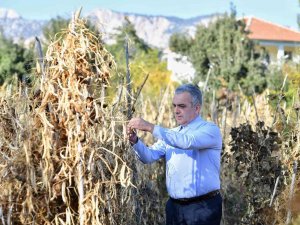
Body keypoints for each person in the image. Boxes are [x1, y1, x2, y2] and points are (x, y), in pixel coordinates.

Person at [127, 84, 222, 225]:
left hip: (202, 207)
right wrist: (135, 141)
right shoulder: (173, 134)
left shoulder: (210, 130)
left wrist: (150, 127)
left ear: (197, 108)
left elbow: (187, 142)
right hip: (174, 207)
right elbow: (148, 156)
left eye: (182, 106)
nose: (176, 111)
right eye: (174, 106)